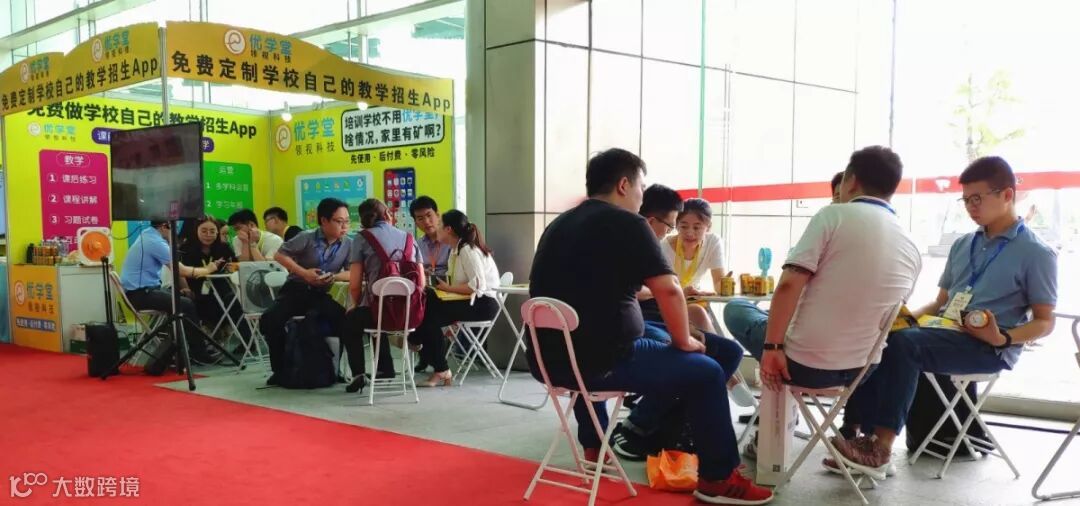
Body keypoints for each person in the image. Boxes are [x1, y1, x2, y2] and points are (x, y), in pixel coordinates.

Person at [528, 148, 773, 505]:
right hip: (606, 359)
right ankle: (718, 479)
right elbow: (669, 290)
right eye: (641, 187)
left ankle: (600, 445)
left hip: (549, 361)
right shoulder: (629, 223)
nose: (642, 196)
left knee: (698, 349)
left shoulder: (558, 225)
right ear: (624, 185)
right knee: (706, 371)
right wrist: (683, 341)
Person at [830, 156, 1057, 479]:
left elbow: (1045, 322)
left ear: (1007, 195)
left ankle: (880, 448)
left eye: (977, 198)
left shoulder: (1035, 252)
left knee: (906, 345)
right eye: (965, 200)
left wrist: (1003, 338)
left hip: (988, 347)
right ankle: (856, 434)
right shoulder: (963, 244)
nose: (971, 207)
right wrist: (901, 318)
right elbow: (940, 303)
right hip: (945, 332)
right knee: (881, 335)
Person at [723, 146, 922, 460]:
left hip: (803, 364)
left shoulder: (833, 215)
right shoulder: (911, 244)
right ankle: (774, 431)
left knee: (736, 308)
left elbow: (789, 284)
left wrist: (772, 348)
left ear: (851, 181)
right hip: (862, 371)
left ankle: (768, 435)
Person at [610, 184, 752, 461]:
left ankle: (676, 423)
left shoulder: (635, 236)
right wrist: (682, 337)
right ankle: (639, 425)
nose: (677, 232)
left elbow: (666, 289)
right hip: (642, 320)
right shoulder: (637, 240)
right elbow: (657, 291)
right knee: (694, 362)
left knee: (729, 352)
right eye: (675, 225)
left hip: (660, 313)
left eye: (695, 227)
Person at [259, 199, 353, 386]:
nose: (344, 226)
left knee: (345, 321)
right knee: (271, 319)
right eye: (339, 221)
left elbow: (352, 272)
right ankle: (279, 370)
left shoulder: (348, 244)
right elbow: (280, 255)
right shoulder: (306, 237)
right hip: (296, 290)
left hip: (319, 294)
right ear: (324, 221)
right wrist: (304, 273)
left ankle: (335, 369)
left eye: (347, 221)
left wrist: (333, 276)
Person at [408, 210, 501, 388]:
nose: (436, 228)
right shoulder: (456, 250)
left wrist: (448, 289)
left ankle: (419, 343)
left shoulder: (467, 250)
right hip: (470, 301)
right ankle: (422, 346)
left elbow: (477, 286)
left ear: (448, 229)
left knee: (429, 317)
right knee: (427, 299)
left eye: (440, 225)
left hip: (483, 304)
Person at [343, 199, 426, 393]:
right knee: (377, 317)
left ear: (362, 220)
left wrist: (353, 305)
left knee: (353, 321)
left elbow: (354, 285)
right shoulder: (409, 238)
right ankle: (385, 368)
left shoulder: (361, 238)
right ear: (388, 213)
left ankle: (358, 374)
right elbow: (421, 283)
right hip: (410, 316)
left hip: (379, 314)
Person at [120, 221, 221, 365]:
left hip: (142, 291)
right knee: (186, 305)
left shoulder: (147, 235)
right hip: (141, 294)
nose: (175, 233)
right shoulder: (155, 242)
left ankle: (186, 349)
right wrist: (208, 269)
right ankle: (199, 353)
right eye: (173, 228)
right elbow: (181, 270)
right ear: (164, 226)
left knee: (184, 298)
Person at [661, 198, 726, 333]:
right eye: (684, 226)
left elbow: (719, 282)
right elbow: (661, 290)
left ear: (708, 226)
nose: (690, 233)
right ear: (676, 224)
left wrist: (727, 284)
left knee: (699, 312)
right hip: (669, 302)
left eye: (697, 227)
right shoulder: (663, 247)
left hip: (696, 300)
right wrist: (683, 293)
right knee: (698, 314)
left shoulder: (713, 242)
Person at [176, 216, 242, 336]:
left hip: (220, 286)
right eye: (204, 231)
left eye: (212, 231)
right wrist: (186, 288)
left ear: (217, 232)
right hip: (195, 287)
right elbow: (180, 273)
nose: (208, 235)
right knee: (201, 299)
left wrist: (230, 267)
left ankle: (234, 332)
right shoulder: (185, 249)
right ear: (196, 231)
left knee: (232, 298)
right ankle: (208, 330)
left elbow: (236, 265)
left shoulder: (224, 247)